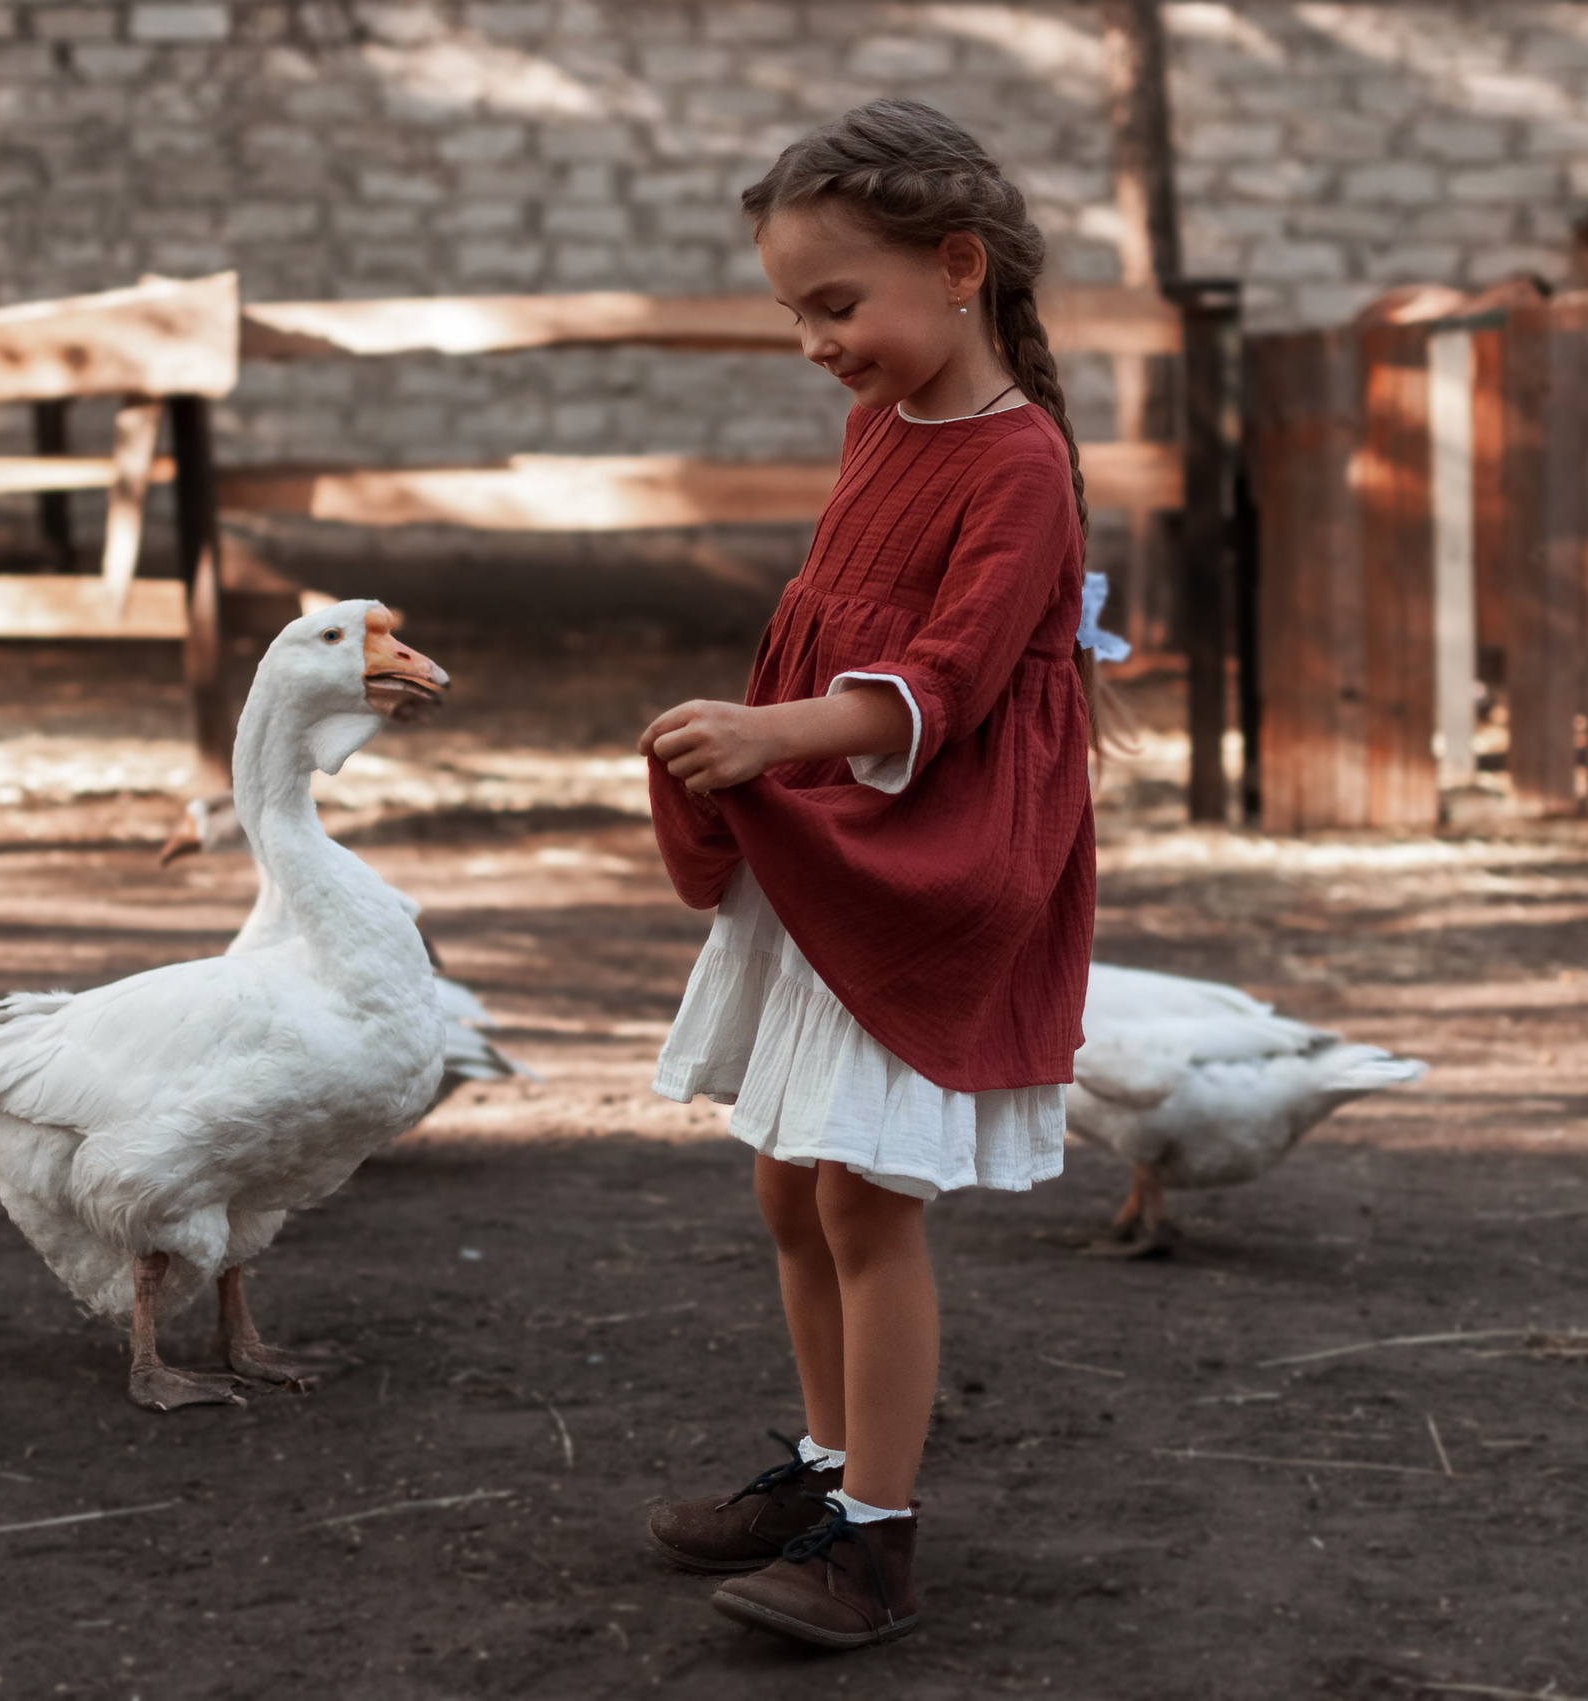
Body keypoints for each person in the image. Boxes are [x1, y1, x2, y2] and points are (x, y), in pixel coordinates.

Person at [636, 97, 1102, 1650]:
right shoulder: (877, 427)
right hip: (828, 826)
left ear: (957, 266)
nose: (814, 342)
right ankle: (829, 1470)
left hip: (924, 849)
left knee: (862, 1192)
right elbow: (840, 625)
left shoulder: (1020, 462)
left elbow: (944, 683)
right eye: (795, 313)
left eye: (835, 305)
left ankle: (878, 1540)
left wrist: (772, 732)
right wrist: (765, 743)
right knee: (785, 1175)